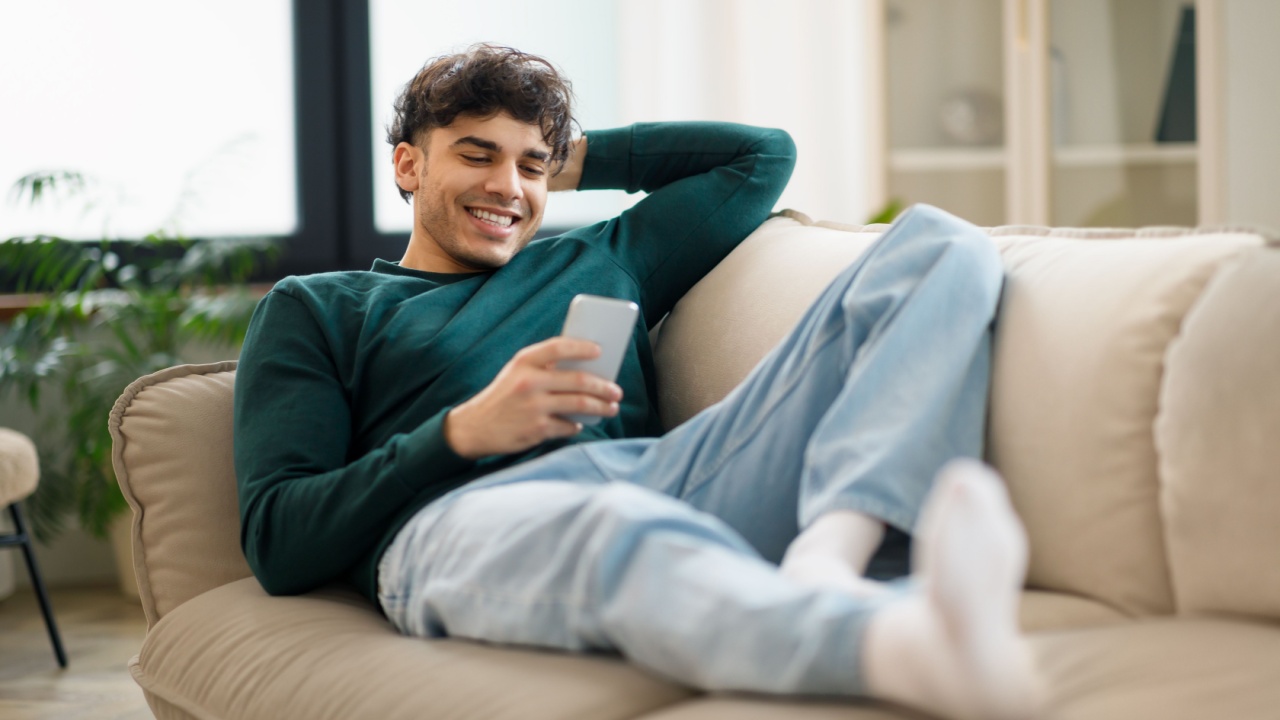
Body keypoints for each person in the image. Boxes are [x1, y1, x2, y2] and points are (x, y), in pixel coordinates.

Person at [233, 44, 1043, 720]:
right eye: (476, 155)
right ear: (407, 164)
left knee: (943, 246)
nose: (508, 188)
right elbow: (279, 537)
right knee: (613, 524)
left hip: (668, 477)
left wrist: (564, 153)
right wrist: (459, 435)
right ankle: (890, 644)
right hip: (460, 519)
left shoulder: (602, 255)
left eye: (531, 167)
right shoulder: (322, 307)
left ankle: (832, 553)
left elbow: (762, 156)